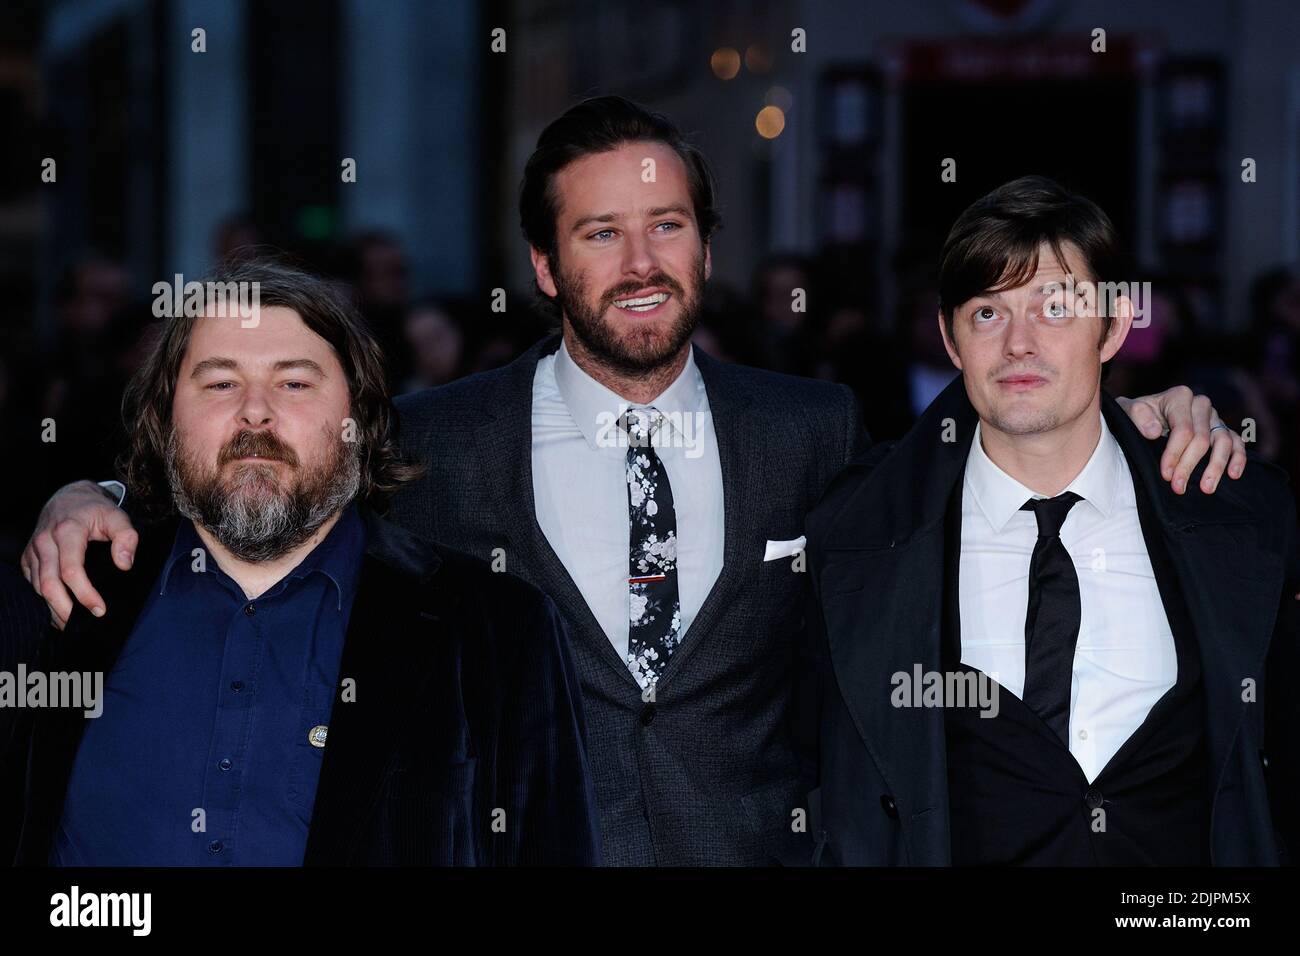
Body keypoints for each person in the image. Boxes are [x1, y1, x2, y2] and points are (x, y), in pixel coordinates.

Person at [20, 100, 1247, 866]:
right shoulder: (437, 444)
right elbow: (262, 496)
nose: (640, 259)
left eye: (666, 224)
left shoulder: (812, 427)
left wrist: (1138, 413)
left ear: (709, 246)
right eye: (599, 232)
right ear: (546, 268)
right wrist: (97, 498)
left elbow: (971, 485)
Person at [5, 259, 598, 866]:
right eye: (219, 383)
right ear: (164, 421)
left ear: (360, 420)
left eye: (294, 383)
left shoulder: (497, 630)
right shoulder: (60, 600)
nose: (255, 412)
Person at [806, 176, 1299, 866]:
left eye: (1056, 307)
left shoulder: (1239, 516)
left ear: (1115, 326)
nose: (1018, 343)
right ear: (950, 339)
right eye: (987, 313)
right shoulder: (856, 535)